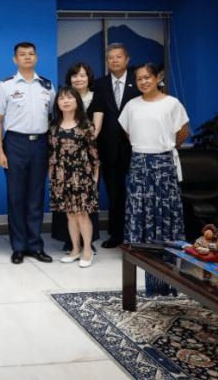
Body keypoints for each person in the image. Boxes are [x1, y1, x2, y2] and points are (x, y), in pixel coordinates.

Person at [120, 62, 189, 295]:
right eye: (139, 79)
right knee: (140, 211)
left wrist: (164, 149)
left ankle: (170, 269)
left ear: (157, 78)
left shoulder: (172, 103)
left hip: (164, 164)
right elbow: (129, 133)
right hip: (139, 163)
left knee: (165, 211)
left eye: (147, 77)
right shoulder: (132, 105)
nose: (143, 82)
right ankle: (143, 264)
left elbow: (182, 132)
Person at [0, 42, 57, 264]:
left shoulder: (47, 85)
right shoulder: (6, 85)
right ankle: (19, 247)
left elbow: (51, 115)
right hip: (15, 144)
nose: (27, 57)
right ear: (15, 59)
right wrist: (0, 151)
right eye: (22, 54)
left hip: (40, 144)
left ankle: (35, 245)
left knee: (36, 197)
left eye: (31, 54)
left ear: (36, 58)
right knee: (16, 197)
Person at [51, 62, 104, 253]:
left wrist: (78, 140)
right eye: (75, 76)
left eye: (83, 75)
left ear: (89, 78)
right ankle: (71, 243)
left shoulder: (96, 98)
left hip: (84, 160)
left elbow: (96, 128)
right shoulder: (62, 102)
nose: (79, 79)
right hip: (63, 165)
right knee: (67, 209)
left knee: (86, 207)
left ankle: (88, 244)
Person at [93, 43, 141, 248]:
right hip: (109, 147)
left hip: (138, 146)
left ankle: (140, 234)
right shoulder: (99, 84)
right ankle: (117, 235)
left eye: (118, 56)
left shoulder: (139, 81)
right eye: (110, 57)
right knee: (115, 194)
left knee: (141, 192)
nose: (114, 60)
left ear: (127, 59)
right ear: (107, 61)